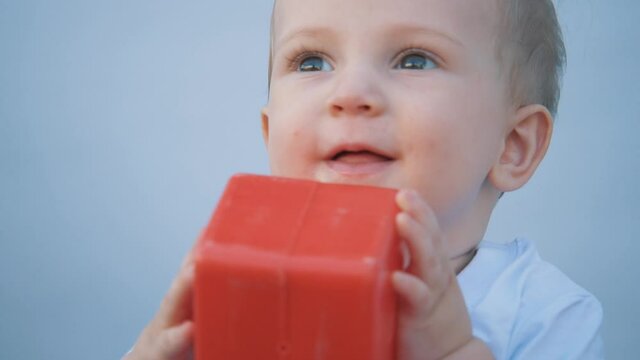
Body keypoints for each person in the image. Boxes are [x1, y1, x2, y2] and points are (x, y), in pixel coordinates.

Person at [124, 0, 604, 358]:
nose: (350, 93)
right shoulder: (244, 293)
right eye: (312, 61)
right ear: (270, 135)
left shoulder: (545, 314)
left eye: (414, 60)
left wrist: (454, 352)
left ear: (512, 145)